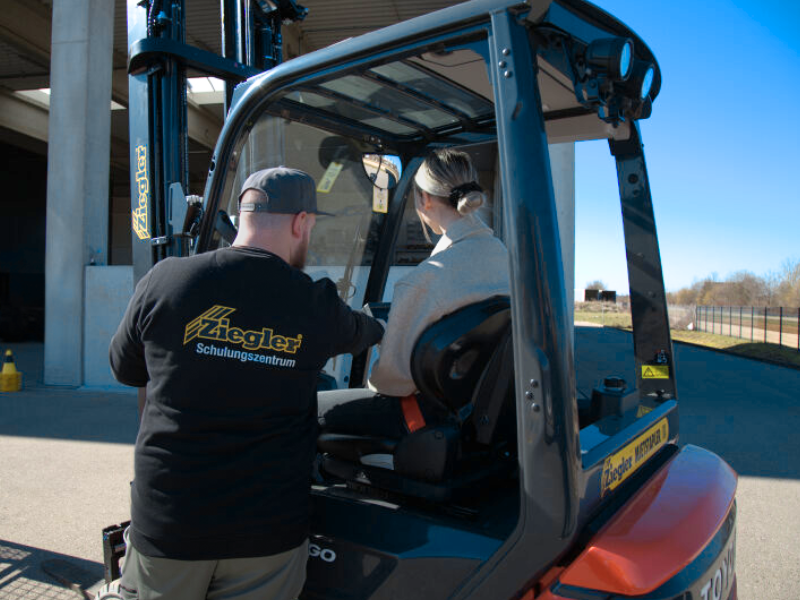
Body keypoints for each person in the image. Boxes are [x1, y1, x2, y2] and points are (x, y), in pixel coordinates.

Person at [108, 166, 384, 600]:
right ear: (300, 222)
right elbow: (367, 331)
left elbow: (125, 369)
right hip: (267, 534)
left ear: (243, 216)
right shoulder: (315, 304)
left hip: (171, 522)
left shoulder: (166, 280)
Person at [318, 148, 510, 439]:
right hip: (474, 412)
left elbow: (392, 383)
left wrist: (387, 335)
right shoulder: (503, 257)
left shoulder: (423, 281)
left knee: (311, 409)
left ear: (425, 198)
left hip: (418, 416)